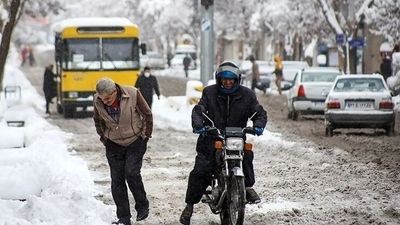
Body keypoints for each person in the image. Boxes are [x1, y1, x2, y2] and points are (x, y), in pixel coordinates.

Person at [179, 61, 267, 225]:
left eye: (231, 79)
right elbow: (200, 110)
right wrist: (200, 126)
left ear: (237, 79)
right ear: (218, 79)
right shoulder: (209, 93)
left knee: (246, 155)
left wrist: (258, 126)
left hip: (236, 138)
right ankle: (189, 207)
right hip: (211, 139)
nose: (227, 82)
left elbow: (258, 112)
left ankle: (246, 187)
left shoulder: (247, 95)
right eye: (224, 79)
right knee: (201, 170)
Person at [93, 78, 152, 225]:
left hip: (135, 141)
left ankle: (142, 206)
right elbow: (97, 120)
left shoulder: (132, 93)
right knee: (117, 181)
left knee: (131, 173)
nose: (105, 101)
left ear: (115, 92)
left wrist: (145, 136)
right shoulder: (97, 100)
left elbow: (147, 114)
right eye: (102, 99)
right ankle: (124, 218)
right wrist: (104, 138)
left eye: (107, 98)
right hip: (113, 144)